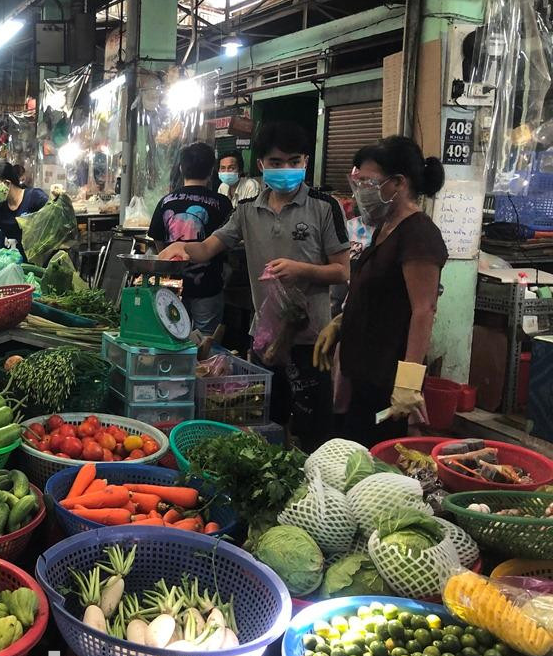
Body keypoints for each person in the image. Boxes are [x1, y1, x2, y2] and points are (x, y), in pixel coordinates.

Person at [159, 121, 349, 451]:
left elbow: (342, 271)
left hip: (311, 341)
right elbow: (207, 249)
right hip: (264, 339)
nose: (286, 169)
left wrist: (299, 269)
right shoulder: (247, 211)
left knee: (312, 435)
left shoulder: (323, 207)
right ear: (262, 165)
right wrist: (181, 248)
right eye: (276, 163)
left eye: (294, 161)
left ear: (305, 162)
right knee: (265, 431)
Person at [313, 136, 447, 447]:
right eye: (356, 181)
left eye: (368, 183)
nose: (360, 191)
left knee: (373, 462)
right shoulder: (384, 228)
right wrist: (340, 323)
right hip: (362, 368)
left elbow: (423, 310)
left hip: (387, 378)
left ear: (398, 183)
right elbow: (377, 293)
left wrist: (409, 382)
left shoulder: (419, 234)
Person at [148, 141, 233, 334]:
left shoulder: (166, 201)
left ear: (181, 168)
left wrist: (169, 255)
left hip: (172, 286)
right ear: (212, 170)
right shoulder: (222, 203)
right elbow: (228, 241)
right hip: (208, 286)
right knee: (205, 343)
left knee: (173, 337)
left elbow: (157, 238)